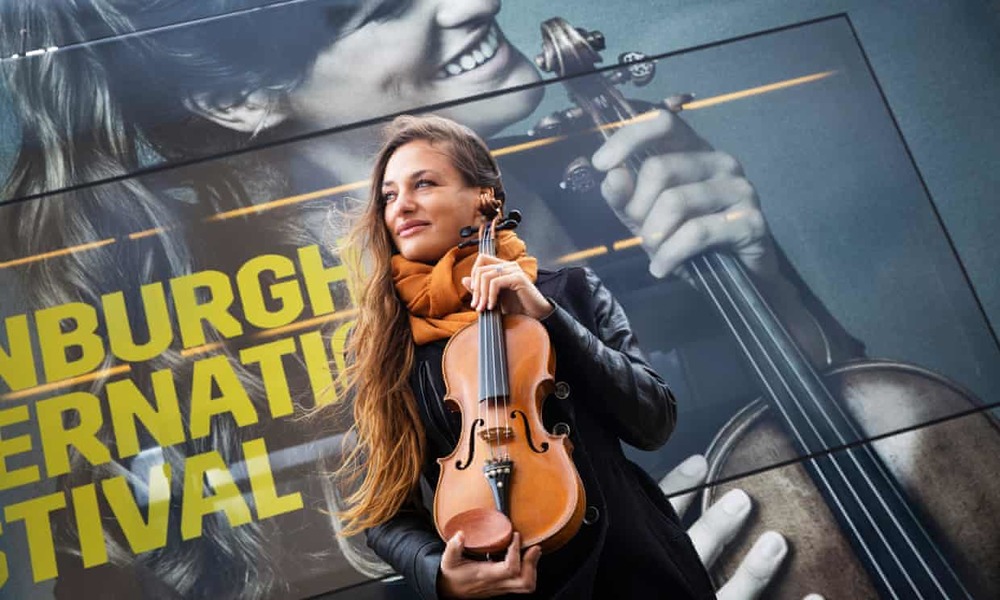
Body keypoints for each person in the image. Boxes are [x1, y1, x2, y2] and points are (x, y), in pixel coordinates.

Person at [0, 1, 852, 597]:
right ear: (237, 100)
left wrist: (762, 275)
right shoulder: (218, 362)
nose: (478, 2)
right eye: (384, 8)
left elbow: (863, 423)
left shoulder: (614, 176)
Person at [338, 113, 716, 599]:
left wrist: (551, 318)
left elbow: (654, 420)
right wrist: (440, 574)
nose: (401, 206)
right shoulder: (389, 344)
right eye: (389, 195)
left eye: (424, 184)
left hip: (639, 569)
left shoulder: (569, 292)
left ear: (483, 200)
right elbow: (385, 513)